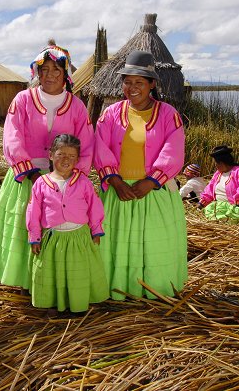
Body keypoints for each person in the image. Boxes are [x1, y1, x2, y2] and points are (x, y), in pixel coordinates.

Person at [0, 42, 94, 291]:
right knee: (28, 227)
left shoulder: (76, 106)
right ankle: (25, 280)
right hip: (27, 178)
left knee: (59, 229)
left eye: (57, 70)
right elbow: (12, 137)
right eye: (45, 69)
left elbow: (86, 143)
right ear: (36, 72)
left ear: (65, 74)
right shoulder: (23, 100)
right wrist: (33, 173)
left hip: (64, 180)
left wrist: (72, 177)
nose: (50, 75)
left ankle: (53, 282)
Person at [94, 50, 187, 300]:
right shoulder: (111, 114)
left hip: (153, 192)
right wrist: (114, 179)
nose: (132, 87)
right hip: (119, 191)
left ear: (152, 84)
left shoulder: (168, 115)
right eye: (127, 81)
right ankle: (120, 289)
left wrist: (152, 180)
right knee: (118, 243)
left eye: (139, 82)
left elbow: (174, 150)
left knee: (154, 243)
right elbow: (100, 146)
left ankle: (156, 290)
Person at [26, 134, 108, 314]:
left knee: (76, 272)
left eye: (71, 156)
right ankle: (52, 304)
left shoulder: (84, 182)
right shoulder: (41, 183)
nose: (66, 160)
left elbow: (94, 206)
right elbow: (33, 211)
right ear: (51, 155)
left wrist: (96, 229)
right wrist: (34, 237)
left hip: (78, 238)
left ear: (77, 159)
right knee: (53, 272)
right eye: (61, 154)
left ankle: (77, 305)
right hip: (52, 239)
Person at [198, 145, 239, 222]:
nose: (215, 166)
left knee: (235, 215)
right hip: (221, 205)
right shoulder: (218, 174)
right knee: (210, 210)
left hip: (238, 205)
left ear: (222, 163)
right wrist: (203, 202)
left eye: (216, 163)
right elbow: (210, 188)